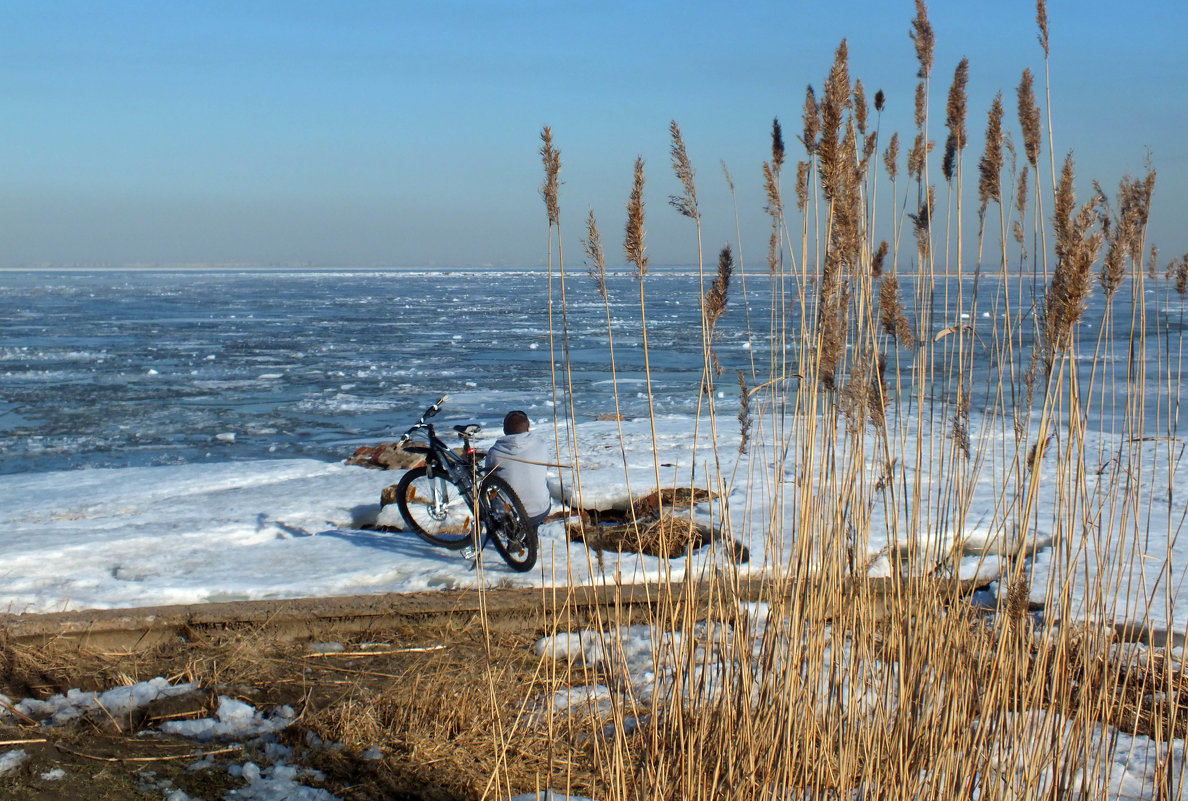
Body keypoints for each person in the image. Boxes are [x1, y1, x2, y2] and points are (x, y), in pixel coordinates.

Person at [484, 410, 550, 528]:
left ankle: (513, 538)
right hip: (539, 511)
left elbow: (489, 479)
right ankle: (532, 535)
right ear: (528, 429)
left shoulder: (494, 453)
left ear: (504, 431)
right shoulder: (541, 445)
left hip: (508, 514)